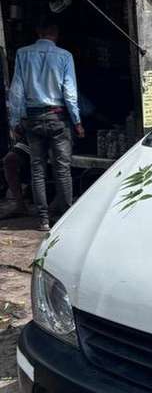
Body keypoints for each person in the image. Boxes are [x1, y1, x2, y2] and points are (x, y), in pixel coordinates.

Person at [8, 15, 84, 231]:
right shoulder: (64, 56)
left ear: (38, 33)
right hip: (58, 117)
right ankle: (65, 216)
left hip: (33, 119)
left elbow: (17, 90)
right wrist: (77, 121)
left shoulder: (23, 54)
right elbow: (69, 92)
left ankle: (43, 219)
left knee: (38, 168)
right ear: (56, 34)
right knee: (62, 168)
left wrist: (15, 120)